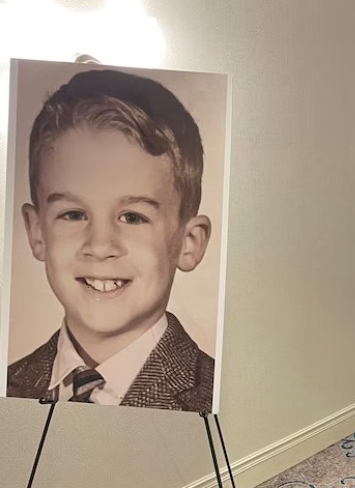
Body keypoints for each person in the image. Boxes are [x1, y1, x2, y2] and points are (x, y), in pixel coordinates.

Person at [7, 68, 215, 413]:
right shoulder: (9, 383)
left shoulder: (212, 396)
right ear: (37, 231)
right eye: (74, 214)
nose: (101, 246)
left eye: (132, 217)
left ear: (189, 242)